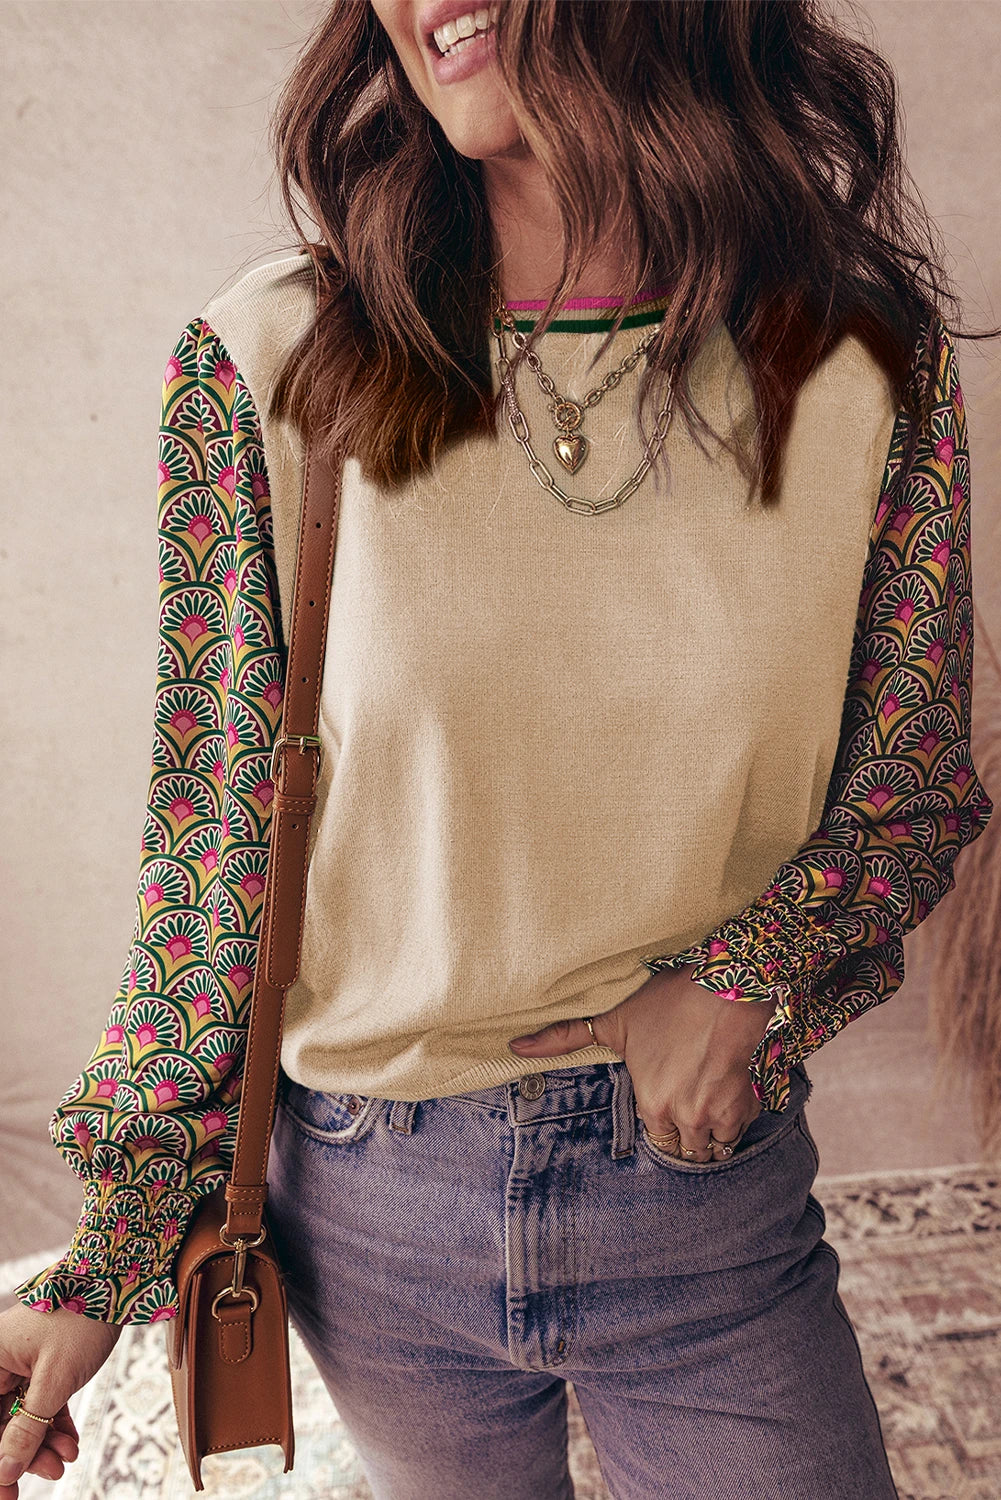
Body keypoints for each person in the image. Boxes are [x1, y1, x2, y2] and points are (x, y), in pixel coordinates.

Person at [1, 2, 997, 1496]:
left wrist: (750, 977)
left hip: (699, 1196)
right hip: (368, 1214)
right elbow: (212, 855)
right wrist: (105, 1258)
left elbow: (909, 783)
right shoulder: (273, 358)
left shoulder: (861, 356)